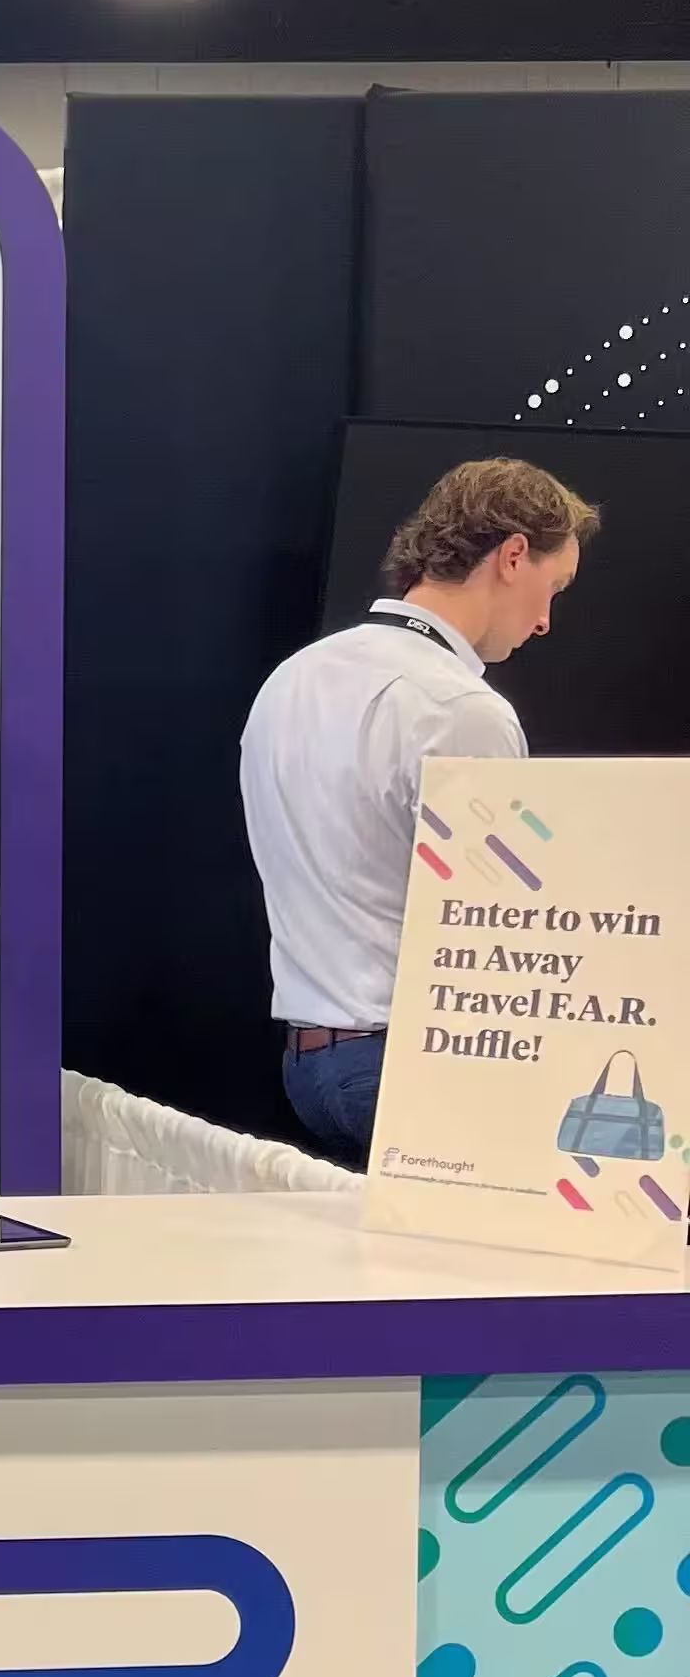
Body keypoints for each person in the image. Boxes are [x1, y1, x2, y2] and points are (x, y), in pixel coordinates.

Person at [240, 455, 597, 1158]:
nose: (545, 621)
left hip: (308, 1066)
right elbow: (501, 928)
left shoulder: (292, 678)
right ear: (513, 556)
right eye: (552, 588)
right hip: (412, 1062)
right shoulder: (459, 708)